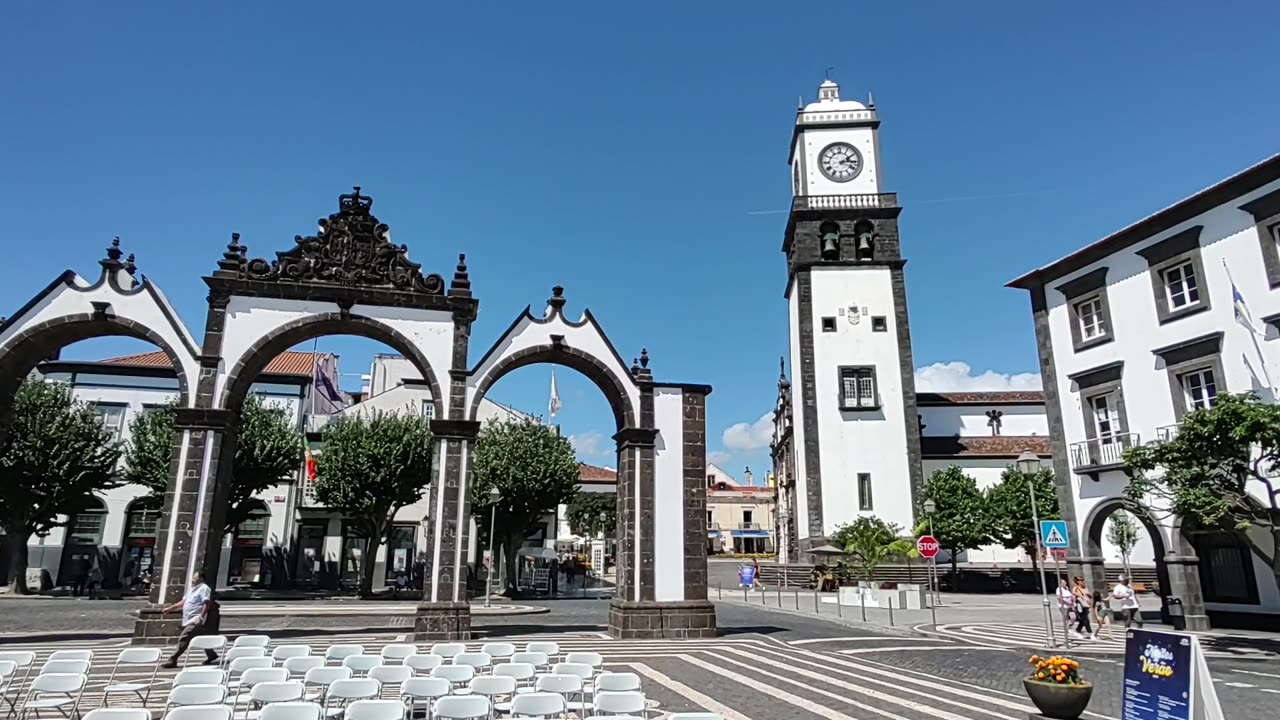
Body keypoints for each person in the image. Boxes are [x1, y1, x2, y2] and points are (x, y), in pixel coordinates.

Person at [162, 572, 219, 668]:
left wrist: (201, 616)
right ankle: (211, 654)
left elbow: (206, 603)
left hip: (195, 618)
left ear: (201, 578)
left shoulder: (204, 588)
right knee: (202, 637)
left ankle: (173, 659)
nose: (193, 580)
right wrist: (170, 609)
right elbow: (184, 602)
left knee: (184, 637)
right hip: (188, 618)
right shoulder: (192, 589)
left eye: (195, 578)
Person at [1056, 578, 1079, 642]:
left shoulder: (1067, 588)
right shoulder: (1059, 589)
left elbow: (1072, 596)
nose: (1065, 583)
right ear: (1060, 584)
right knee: (1066, 618)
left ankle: (1069, 627)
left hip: (1070, 605)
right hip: (1063, 605)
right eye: (1063, 583)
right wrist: (1066, 602)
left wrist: (1073, 602)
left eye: (1065, 582)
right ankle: (1066, 633)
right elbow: (1059, 598)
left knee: (1074, 616)